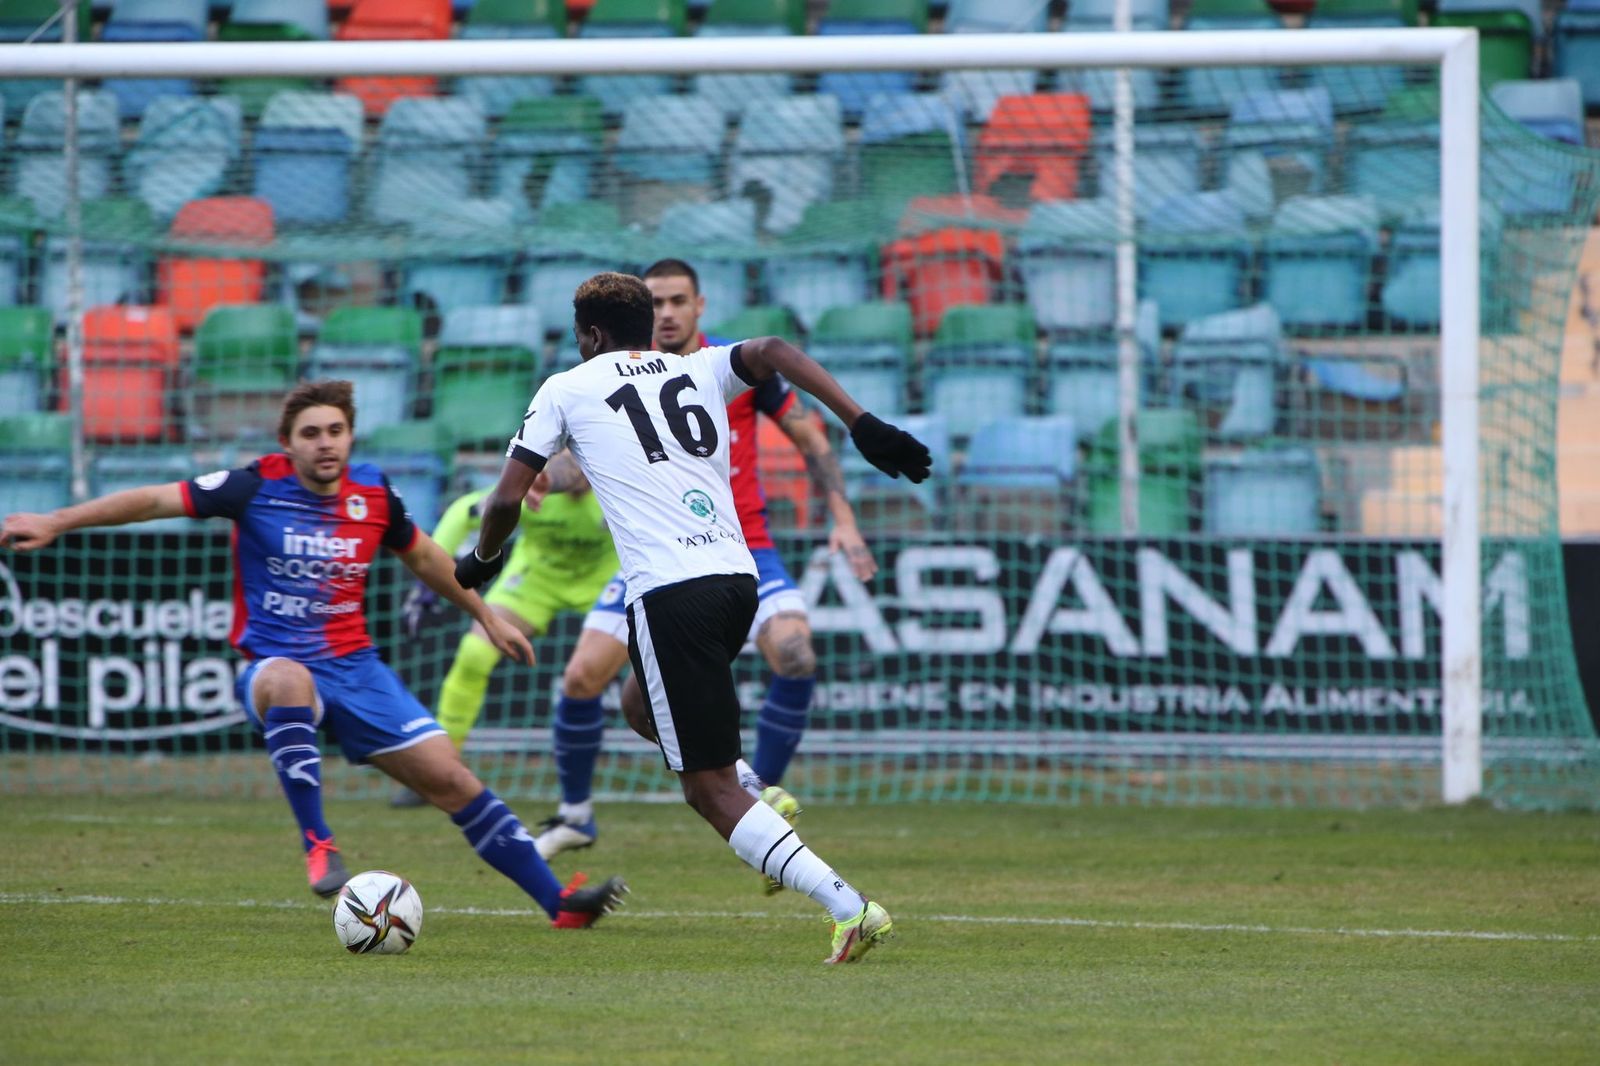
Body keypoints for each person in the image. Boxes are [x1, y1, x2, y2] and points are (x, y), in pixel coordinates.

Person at [0, 380, 626, 930]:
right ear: (288, 442)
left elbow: (427, 558)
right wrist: (57, 521)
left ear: (350, 437)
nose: (326, 443)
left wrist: (485, 615)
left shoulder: (374, 495)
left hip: (359, 670)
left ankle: (559, 905)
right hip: (274, 668)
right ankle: (318, 842)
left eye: (336, 431)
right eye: (311, 433)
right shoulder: (253, 485)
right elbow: (152, 500)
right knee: (290, 678)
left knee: (454, 780)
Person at [457, 272, 929, 963]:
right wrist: (862, 422)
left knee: (704, 791)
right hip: (738, 581)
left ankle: (847, 906)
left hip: (670, 592)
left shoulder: (566, 387)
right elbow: (771, 347)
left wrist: (482, 561)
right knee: (638, 703)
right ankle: (749, 784)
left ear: (589, 334)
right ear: (649, 324)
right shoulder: (699, 369)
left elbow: (507, 498)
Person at [534, 259, 879, 886]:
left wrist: (844, 518)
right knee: (588, 677)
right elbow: (578, 464)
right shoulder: (606, 384)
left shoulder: (724, 369)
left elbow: (810, 439)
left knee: (796, 653)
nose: (666, 312)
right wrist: (543, 478)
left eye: (677, 301)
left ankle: (760, 799)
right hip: (654, 561)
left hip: (740, 547)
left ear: (699, 307)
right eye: (656, 301)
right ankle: (577, 813)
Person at [389, 469, 618, 808]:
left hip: (604, 582)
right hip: (536, 579)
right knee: (474, 654)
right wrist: (426, 584)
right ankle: (439, 771)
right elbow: (461, 513)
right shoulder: (529, 493)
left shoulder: (615, 493)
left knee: (654, 656)